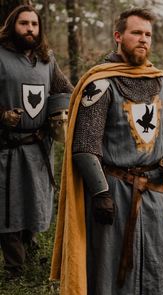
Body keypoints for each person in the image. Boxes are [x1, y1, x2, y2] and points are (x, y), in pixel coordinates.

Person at [50, 7, 163, 295]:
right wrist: (100, 194)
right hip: (115, 192)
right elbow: (85, 147)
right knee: (112, 275)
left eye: (148, 34)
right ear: (118, 36)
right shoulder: (99, 83)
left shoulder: (160, 80)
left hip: (155, 190)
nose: (143, 39)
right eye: (136, 32)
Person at [0, 4, 73, 279]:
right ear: (11, 26)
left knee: (33, 202)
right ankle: (14, 268)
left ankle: (29, 252)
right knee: (8, 206)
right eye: (23, 23)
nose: (30, 29)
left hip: (38, 145)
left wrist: (64, 109)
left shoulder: (46, 58)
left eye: (34, 24)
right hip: (7, 147)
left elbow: (66, 89)